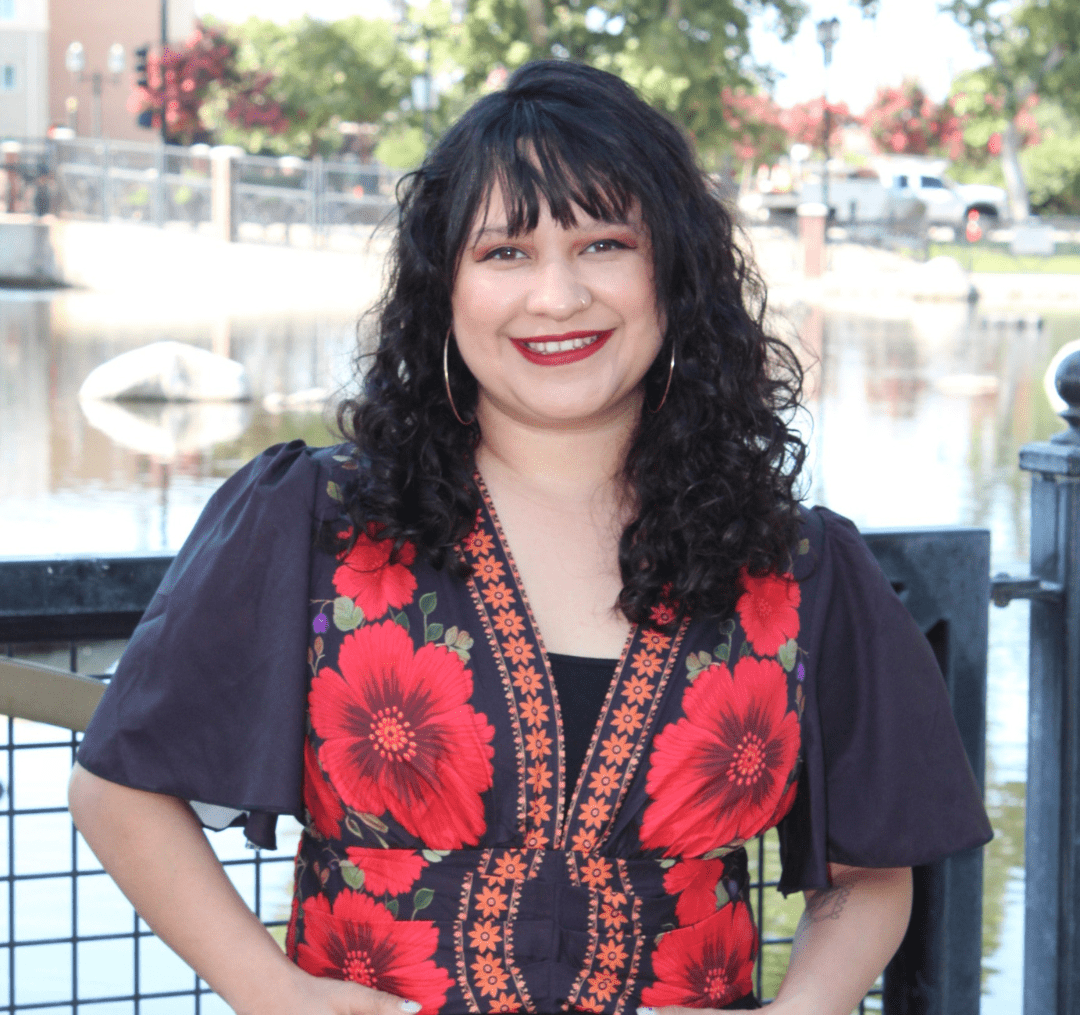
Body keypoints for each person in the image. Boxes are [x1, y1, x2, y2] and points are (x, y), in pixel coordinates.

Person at [68, 61, 991, 1015]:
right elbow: (118, 791)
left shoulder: (792, 568)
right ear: (446, 289)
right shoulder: (317, 523)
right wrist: (271, 992)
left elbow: (871, 869)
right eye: (505, 252)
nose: (556, 297)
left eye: (602, 244)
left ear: (671, 273)